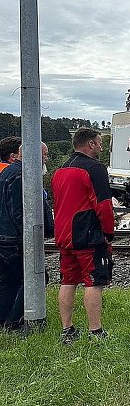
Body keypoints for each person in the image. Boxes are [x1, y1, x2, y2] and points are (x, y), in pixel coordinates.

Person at [51, 128, 115, 343]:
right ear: (89, 144)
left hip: (64, 233)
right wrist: (108, 232)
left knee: (68, 280)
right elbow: (103, 204)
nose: (100, 146)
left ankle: (67, 330)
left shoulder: (60, 170)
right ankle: (95, 331)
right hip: (86, 234)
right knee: (93, 281)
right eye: (98, 142)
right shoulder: (94, 168)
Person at [0, 138, 53, 332]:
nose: (46, 159)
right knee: (35, 277)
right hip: (15, 239)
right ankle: (16, 321)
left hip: (4, 236)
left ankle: (4, 319)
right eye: (45, 155)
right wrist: (29, 237)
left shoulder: (7, 172)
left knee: (8, 281)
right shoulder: (25, 176)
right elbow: (20, 211)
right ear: (33, 155)